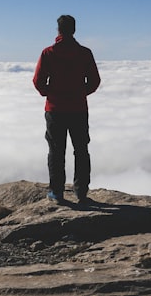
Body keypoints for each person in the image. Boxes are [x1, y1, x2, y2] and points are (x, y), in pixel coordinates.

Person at [32, 14, 101, 202]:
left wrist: (50, 93)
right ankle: (81, 191)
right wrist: (79, 93)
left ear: (58, 30)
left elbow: (38, 81)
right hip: (78, 109)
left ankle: (57, 192)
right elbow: (94, 81)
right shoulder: (85, 53)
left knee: (56, 151)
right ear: (74, 30)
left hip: (55, 110)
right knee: (81, 149)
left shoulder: (49, 53)